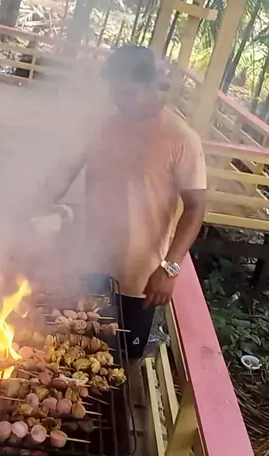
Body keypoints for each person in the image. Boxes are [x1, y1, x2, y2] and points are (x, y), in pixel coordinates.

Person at [54, 44, 207, 361]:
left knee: (122, 361)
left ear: (152, 84)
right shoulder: (103, 124)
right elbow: (66, 171)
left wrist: (170, 268)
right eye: (115, 92)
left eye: (128, 93)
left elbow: (195, 208)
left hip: (139, 278)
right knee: (75, 350)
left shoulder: (180, 138)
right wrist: (32, 210)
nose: (120, 101)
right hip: (91, 261)